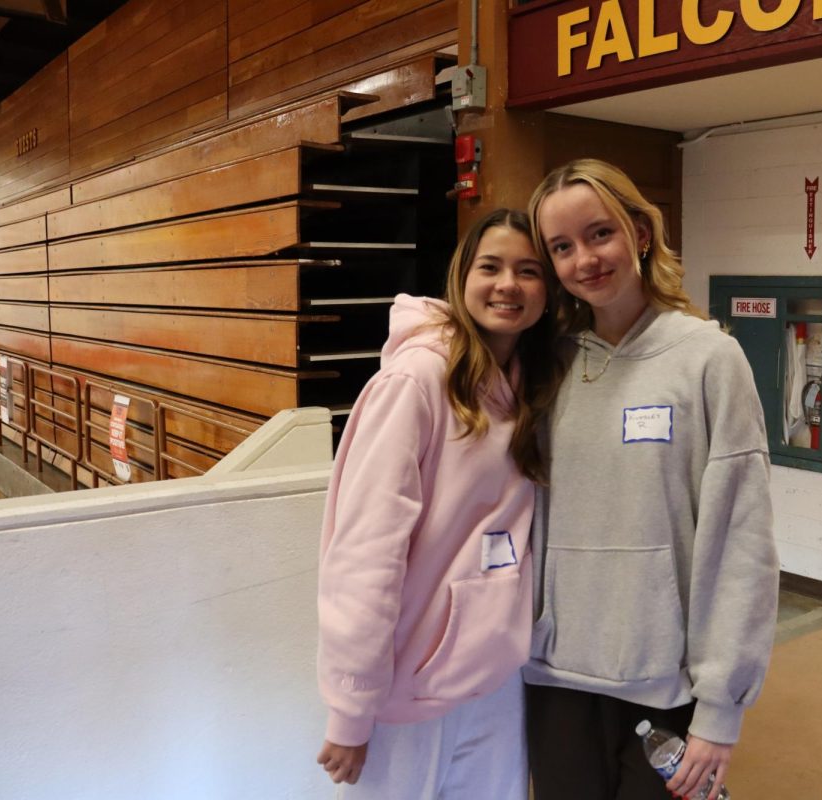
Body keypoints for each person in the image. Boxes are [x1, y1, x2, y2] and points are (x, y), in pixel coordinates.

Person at [523, 159, 779, 800]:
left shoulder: (709, 358)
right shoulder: (548, 367)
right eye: (562, 246)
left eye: (599, 233)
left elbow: (741, 542)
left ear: (639, 232)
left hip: (669, 689)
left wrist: (722, 709)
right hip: (554, 681)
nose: (585, 259)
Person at [315, 209, 560, 799]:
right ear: (461, 276)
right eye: (491, 267)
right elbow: (366, 549)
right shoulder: (417, 380)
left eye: (529, 271)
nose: (508, 284)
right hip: (410, 687)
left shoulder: (532, 384)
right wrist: (351, 706)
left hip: (496, 679)